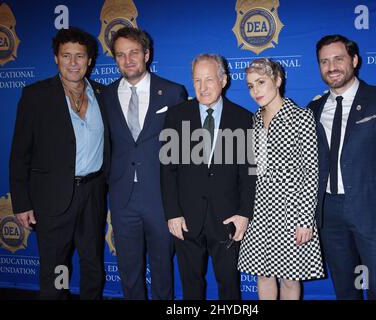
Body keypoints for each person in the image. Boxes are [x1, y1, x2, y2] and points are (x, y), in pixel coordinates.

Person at [307, 34, 376, 299]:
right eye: (324, 61)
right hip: (329, 214)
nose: (331, 67)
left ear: (354, 60)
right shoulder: (313, 109)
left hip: (375, 214)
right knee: (346, 290)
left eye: (338, 59)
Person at [9, 27, 109, 299]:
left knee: (92, 262)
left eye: (80, 56)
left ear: (90, 60)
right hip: (52, 195)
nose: (73, 63)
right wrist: (22, 202)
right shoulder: (36, 96)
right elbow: (20, 153)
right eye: (67, 56)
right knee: (56, 266)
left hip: (93, 192)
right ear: (56, 58)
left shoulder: (104, 94)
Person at [160, 54, 256, 299]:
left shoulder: (244, 119)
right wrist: (172, 212)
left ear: (223, 80)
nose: (203, 87)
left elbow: (249, 172)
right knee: (190, 286)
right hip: (186, 218)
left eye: (209, 80)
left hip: (227, 219)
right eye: (197, 80)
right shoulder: (176, 116)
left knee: (229, 286)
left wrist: (245, 213)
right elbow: (167, 170)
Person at [102, 27, 187, 300]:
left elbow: (183, 151)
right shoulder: (104, 96)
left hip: (161, 197)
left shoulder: (173, 92)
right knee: (129, 270)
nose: (127, 60)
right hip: (122, 197)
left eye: (134, 53)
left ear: (147, 54)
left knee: (163, 268)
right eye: (120, 55)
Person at [238, 58, 325, 300]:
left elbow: (311, 171)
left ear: (277, 80)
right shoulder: (252, 121)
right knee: (263, 276)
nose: (255, 91)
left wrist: (305, 219)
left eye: (261, 82)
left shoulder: (301, 117)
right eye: (250, 85)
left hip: (291, 212)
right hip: (259, 212)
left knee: (289, 278)